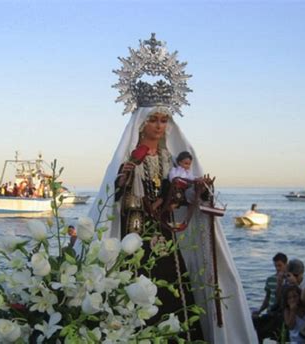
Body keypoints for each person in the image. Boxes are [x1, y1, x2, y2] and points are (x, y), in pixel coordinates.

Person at [88, 34, 257, 343]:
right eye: (154, 119)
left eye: (164, 120)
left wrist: (197, 191)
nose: (159, 125)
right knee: (138, 285)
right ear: (141, 123)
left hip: (165, 232)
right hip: (135, 233)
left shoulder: (172, 158)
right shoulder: (129, 158)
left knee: (173, 284)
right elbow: (114, 201)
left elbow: (182, 191)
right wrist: (129, 185)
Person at [252, 252, 288, 342]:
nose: (277, 268)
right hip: (270, 312)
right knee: (257, 327)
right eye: (276, 266)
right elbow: (267, 298)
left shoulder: (288, 280)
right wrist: (260, 310)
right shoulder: (270, 279)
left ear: (286, 265)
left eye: (280, 266)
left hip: (280, 314)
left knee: (279, 336)